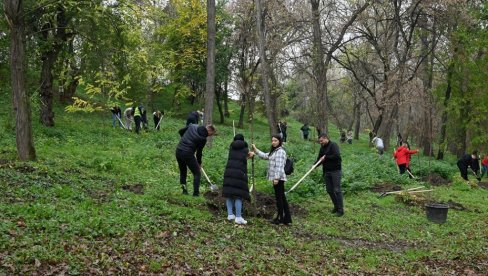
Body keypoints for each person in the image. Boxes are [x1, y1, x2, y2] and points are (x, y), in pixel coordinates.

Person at [252, 135, 291, 225]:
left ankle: (280, 218)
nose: (273, 142)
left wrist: (276, 178)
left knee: (279, 199)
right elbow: (266, 156)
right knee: (282, 198)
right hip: (277, 178)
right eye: (272, 140)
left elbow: (280, 166)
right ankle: (286, 218)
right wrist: (256, 150)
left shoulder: (280, 152)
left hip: (279, 179)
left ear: (279, 141)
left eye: (275, 140)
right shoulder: (275, 151)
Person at [176, 124, 216, 196]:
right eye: (211, 134)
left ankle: (184, 191)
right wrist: (199, 163)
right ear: (209, 130)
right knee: (197, 173)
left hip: (179, 150)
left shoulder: (192, 126)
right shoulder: (203, 138)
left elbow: (180, 131)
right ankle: (196, 194)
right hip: (187, 153)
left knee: (183, 171)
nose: (210, 136)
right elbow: (199, 153)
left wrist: (184, 140)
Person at [222, 134, 254, 225]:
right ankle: (238, 217)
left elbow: (238, 157)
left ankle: (230, 215)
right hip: (239, 174)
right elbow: (247, 156)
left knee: (229, 194)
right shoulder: (245, 148)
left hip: (229, 172)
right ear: (243, 140)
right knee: (238, 195)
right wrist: (251, 154)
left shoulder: (231, 148)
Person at [315, 133, 344, 217]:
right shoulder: (322, 147)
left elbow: (337, 156)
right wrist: (314, 166)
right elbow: (319, 159)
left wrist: (326, 157)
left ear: (326, 138)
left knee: (337, 190)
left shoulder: (333, 145)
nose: (320, 142)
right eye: (319, 141)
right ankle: (336, 206)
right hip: (326, 172)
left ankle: (340, 210)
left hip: (335, 171)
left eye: (321, 141)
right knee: (329, 190)